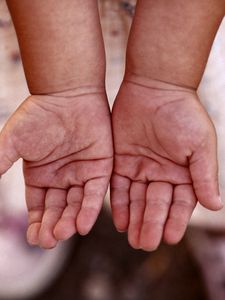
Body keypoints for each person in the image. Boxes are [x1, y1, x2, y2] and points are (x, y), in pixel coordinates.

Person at [0, 0, 224, 250]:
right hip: (41, 36)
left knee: (197, 176)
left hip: (187, 38)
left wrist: (167, 82)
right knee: (54, 149)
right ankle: (27, 203)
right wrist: (61, 90)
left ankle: (214, 230)